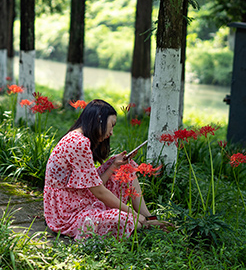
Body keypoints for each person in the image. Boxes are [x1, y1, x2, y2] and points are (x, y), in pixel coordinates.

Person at [43, 99, 168, 239]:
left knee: (127, 165)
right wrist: (134, 215)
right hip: (68, 213)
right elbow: (99, 192)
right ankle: (144, 222)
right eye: (112, 125)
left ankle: (149, 218)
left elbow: (93, 185)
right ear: (99, 120)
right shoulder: (79, 143)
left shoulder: (79, 138)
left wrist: (114, 165)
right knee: (130, 222)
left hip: (81, 198)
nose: (112, 132)